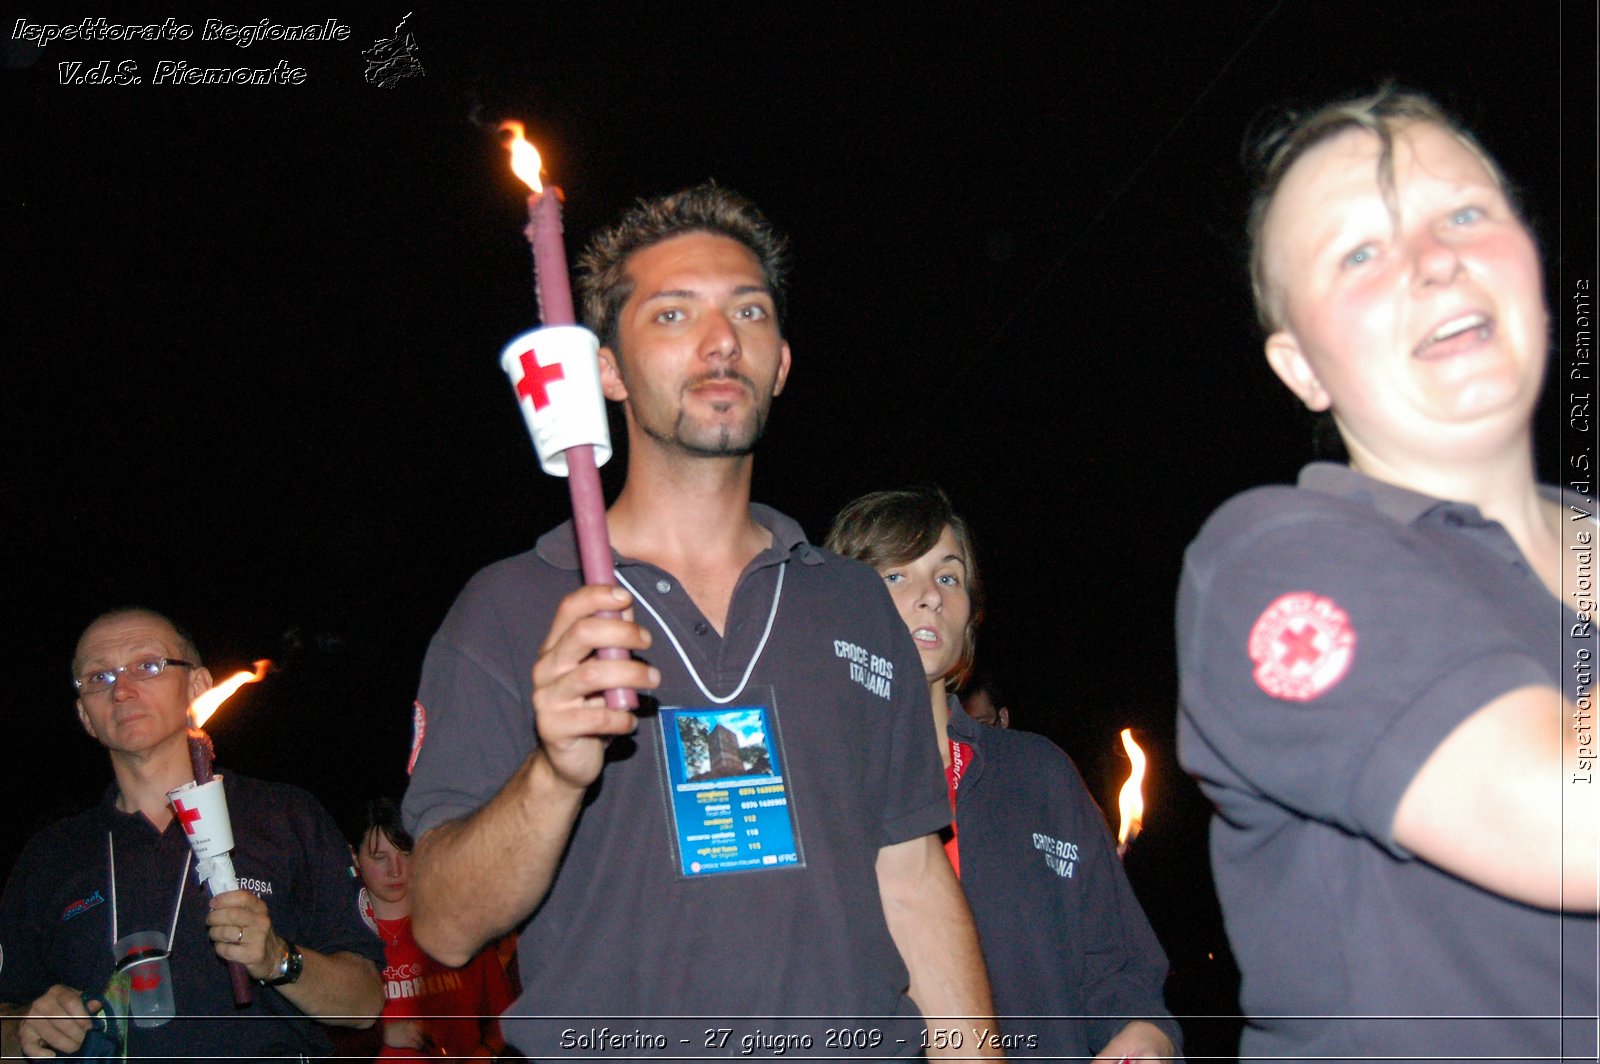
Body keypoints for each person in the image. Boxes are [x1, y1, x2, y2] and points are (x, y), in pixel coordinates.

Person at [402, 185, 998, 1058]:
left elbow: (909, 878)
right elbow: (446, 924)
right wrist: (556, 772)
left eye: (748, 312)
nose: (722, 340)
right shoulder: (506, 609)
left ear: (782, 362)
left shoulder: (853, 602)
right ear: (605, 369)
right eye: (674, 313)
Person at [1176, 87, 1598, 1061]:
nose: (1433, 259)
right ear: (1300, 368)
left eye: (1463, 213)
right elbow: (1566, 815)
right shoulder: (1267, 556)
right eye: (1358, 252)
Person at [827, 486, 1181, 1062]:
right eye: (894, 576)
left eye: (948, 577)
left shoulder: (1038, 776)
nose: (930, 598)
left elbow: (1122, 978)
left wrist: (1144, 1037)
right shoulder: (808, 778)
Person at [0, 607, 384, 1059]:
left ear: (198, 686)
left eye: (148, 666)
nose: (121, 690)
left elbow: (364, 1003)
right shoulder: (51, 856)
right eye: (98, 677)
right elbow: (8, 1017)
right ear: (85, 714)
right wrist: (28, 1028)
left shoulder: (287, 816)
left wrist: (278, 959)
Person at [352, 797, 513, 1060]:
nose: (396, 870)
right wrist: (382, 1033)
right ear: (354, 857)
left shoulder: (457, 926)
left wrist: (484, 1054)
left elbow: (504, 1018)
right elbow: (321, 1035)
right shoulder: (342, 941)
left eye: (406, 854)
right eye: (380, 858)